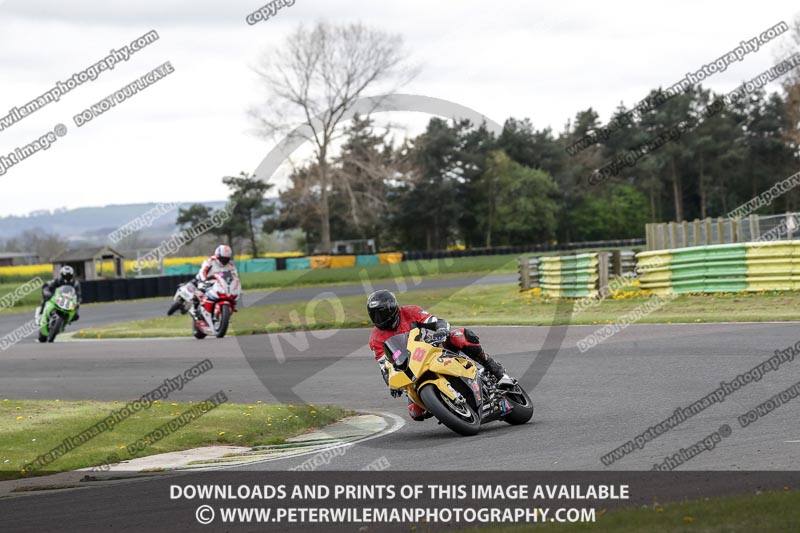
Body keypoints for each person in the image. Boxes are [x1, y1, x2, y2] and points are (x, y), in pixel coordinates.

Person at [367, 289, 515, 421]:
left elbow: (438, 321)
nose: (378, 318)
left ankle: (498, 373)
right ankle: (449, 408)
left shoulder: (410, 312)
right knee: (416, 413)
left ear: (392, 309)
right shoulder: (375, 338)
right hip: (411, 370)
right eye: (374, 315)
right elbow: (384, 367)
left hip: (433, 350)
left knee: (460, 335)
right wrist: (392, 383)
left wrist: (441, 330)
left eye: (381, 313)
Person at [191, 245, 239, 312]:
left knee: (232, 291)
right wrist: (205, 280)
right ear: (217, 255)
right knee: (200, 291)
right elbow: (203, 271)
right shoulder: (210, 261)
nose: (224, 260)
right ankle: (195, 308)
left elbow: (235, 276)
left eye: (226, 259)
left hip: (221, 282)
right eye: (222, 258)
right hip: (208, 280)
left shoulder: (231, 265)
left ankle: (232, 304)